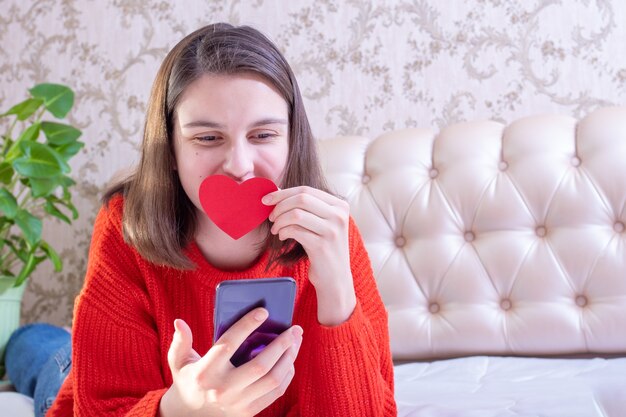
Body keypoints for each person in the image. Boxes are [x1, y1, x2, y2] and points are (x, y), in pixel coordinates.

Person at [37, 22, 395, 416]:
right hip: (83, 380)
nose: (240, 166)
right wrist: (177, 408)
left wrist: (337, 294)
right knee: (44, 356)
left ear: (293, 141)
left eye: (263, 135)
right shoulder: (126, 226)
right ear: (170, 148)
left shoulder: (328, 231)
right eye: (208, 138)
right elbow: (100, 406)